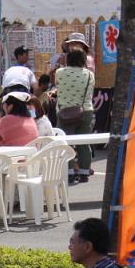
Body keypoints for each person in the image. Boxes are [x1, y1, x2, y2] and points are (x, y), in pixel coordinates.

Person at [54, 48, 95, 184]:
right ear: (83, 60)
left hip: (65, 112)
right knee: (84, 143)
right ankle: (84, 172)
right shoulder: (89, 75)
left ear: (68, 59)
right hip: (85, 111)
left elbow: (57, 85)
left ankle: (70, 172)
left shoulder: (60, 72)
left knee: (66, 143)